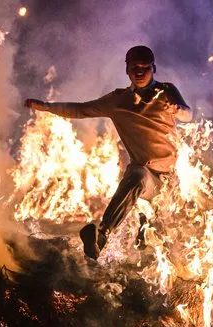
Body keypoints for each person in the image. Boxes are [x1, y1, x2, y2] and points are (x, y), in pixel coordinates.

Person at [24, 45, 192, 260]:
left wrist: (177, 109)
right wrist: (47, 107)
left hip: (173, 181)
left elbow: (188, 114)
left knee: (163, 246)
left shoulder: (166, 91)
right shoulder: (117, 100)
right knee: (138, 173)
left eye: (145, 68)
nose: (139, 72)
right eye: (134, 68)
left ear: (153, 68)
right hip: (146, 179)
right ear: (127, 70)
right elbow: (80, 109)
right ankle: (100, 238)